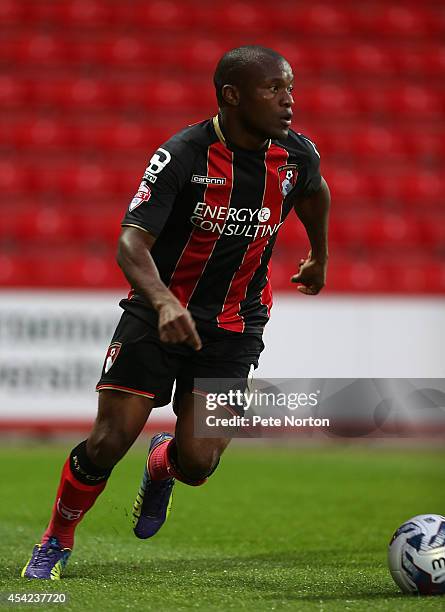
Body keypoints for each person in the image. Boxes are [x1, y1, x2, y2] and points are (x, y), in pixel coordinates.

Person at [21, 45, 330, 580]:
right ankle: (57, 537)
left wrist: (320, 255)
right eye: (274, 90)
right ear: (232, 96)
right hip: (158, 313)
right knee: (108, 441)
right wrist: (163, 302)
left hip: (235, 324)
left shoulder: (298, 157)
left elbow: (315, 193)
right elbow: (130, 244)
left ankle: (164, 461)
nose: (288, 102)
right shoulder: (182, 155)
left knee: (199, 463)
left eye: (291, 89)